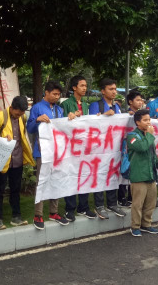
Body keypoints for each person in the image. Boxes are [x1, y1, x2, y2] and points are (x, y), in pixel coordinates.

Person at [27, 80, 69, 230]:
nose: (56, 97)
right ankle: (38, 214)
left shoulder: (59, 110)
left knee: (56, 179)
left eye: (58, 94)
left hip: (57, 151)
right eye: (54, 94)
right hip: (42, 152)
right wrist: (37, 120)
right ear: (46, 92)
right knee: (41, 181)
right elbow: (30, 128)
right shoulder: (37, 108)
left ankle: (54, 212)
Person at [87, 78, 127, 219]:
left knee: (112, 175)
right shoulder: (95, 105)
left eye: (115, 89)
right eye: (111, 89)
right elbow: (91, 125)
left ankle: (112, 203)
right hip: (99, 149)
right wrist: (104, 116)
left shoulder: (117, 107)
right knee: (99, 175)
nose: (114, 92)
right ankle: (99, 205)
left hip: (113, 148)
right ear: (103, 91)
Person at [0, 96, 35, 227]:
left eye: (22, 113)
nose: (19, 116)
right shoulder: (1, 116)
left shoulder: (23, 117)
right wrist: (2, 138)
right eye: (17, 113)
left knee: (15, 189)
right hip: (2, 159)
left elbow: (23, 137)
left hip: (17, 159)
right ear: (11, 108)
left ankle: (16, 216)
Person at [60, 76, 96, 221]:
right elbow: (61, 124)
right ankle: (69, 209)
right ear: (74, 87)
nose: (84, 88)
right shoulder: (66, 104)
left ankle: (83, 207)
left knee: (84, 175)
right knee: (70, 176)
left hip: (84, 147)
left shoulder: (86, 105)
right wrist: (71, 116)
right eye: (82, 85)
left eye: (85, 85)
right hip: (70, 147)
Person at [127, 109, 158, 237]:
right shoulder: (132, 136)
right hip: (138, 175)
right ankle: (135, 226)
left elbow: (153, 154)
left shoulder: (149, 136)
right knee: (138, 203)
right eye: (145, 120)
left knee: (150, 202)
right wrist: (150, 135)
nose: (148, 122)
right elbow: (141, 148)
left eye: (149, 120)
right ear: (137, 122)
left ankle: (146, 224)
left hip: (150, 175)